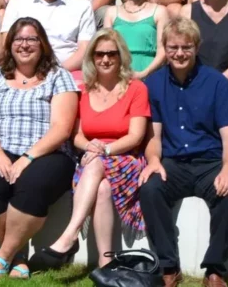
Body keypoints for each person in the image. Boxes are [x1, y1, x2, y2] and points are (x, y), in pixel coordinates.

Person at [0, 17, 79, 280]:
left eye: (31, 39)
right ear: (10, 44)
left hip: (47, 154)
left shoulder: (58, 76)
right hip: (0, 149)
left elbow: (62, 128)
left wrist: (28, 157)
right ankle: (19, 256)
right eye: (19, 39)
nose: (25, 44)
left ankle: (2, 258)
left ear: (42, 44)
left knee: (32, 186)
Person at [139, 17, 228, 287]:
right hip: (173, 162)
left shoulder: (216, 83)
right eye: (173, 47)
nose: (179, 53)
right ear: (164, 47)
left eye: (186, 47)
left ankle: (214, 270)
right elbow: (154, 134)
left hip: (210, 162)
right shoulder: (155, 83)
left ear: (196, 47)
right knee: (150, 190)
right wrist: (153, 160)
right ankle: (169, 267)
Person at [34, 29, 150, 270]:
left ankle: (70, 235)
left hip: (126, 158)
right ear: (91, 58)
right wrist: (90, 146)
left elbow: (136, 136)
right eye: (99, 54)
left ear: (121, 57)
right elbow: (75, 134)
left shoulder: (136, 88)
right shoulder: (84, 91)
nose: (105, 59)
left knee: (96, 163)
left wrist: (104, 151)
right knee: (103, 188)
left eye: (111, 54)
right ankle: (106, 262)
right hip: (93, 160)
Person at [1, 0, 95, 75]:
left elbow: (85, 50)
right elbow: (6, 42)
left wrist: (56, 73)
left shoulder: (82, 5)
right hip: (23, 72)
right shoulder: (19, 1)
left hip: (67, 72)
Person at [106, 0, 168, 78]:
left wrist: (143, 74)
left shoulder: (160, 11)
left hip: (150, 75)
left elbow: (163, 52)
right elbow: (107, 50)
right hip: (119, 76)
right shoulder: (112, 12)